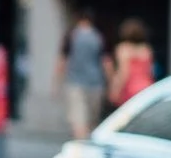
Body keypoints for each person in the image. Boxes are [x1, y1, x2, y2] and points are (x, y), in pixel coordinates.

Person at [54, 8, 114, 139]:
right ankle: (87, 147)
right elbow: (106, 62)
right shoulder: (99, 37)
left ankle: (81, 149)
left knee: (79, 120)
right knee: (92, 121)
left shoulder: (71, 35)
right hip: (96, 83)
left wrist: (56, 84)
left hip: (75, 83)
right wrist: (111, 85)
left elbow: (62, 61)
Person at [109, 17, 156, 107]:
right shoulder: (146, 49)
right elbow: (150, 72)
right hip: (147, 87)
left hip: (130, 89)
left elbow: (123, 72)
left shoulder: (123, 48)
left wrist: (115, 90)